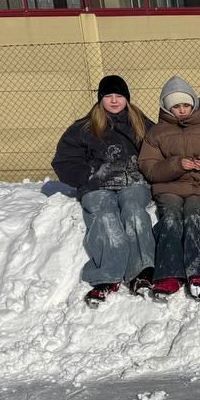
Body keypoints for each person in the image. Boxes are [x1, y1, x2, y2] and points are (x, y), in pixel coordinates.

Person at [51, 75, 156, 306]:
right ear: (100, 99)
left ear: (127, 99)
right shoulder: (83, 127)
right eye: (108, 96)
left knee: (134, 211)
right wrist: (87, 175)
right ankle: (106, 276)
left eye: (119, 96)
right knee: (105, 216)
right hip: (98, 185)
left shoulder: (141, 124)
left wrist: (151, 173)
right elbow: (65, 160)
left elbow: (160, 151)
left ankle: (142, 271)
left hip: (133, 182)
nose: (114, 100)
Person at [138, 76, 200, 298]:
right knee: (170, 219)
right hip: (169, 187)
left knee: (193, 217)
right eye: (175, 106)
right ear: (166, 107)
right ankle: (169, 275)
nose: (181, 110)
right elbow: (149, 167)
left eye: (185, 105)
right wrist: (176, 164)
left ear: (193, 103)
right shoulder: (156, 133)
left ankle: (199, 273)